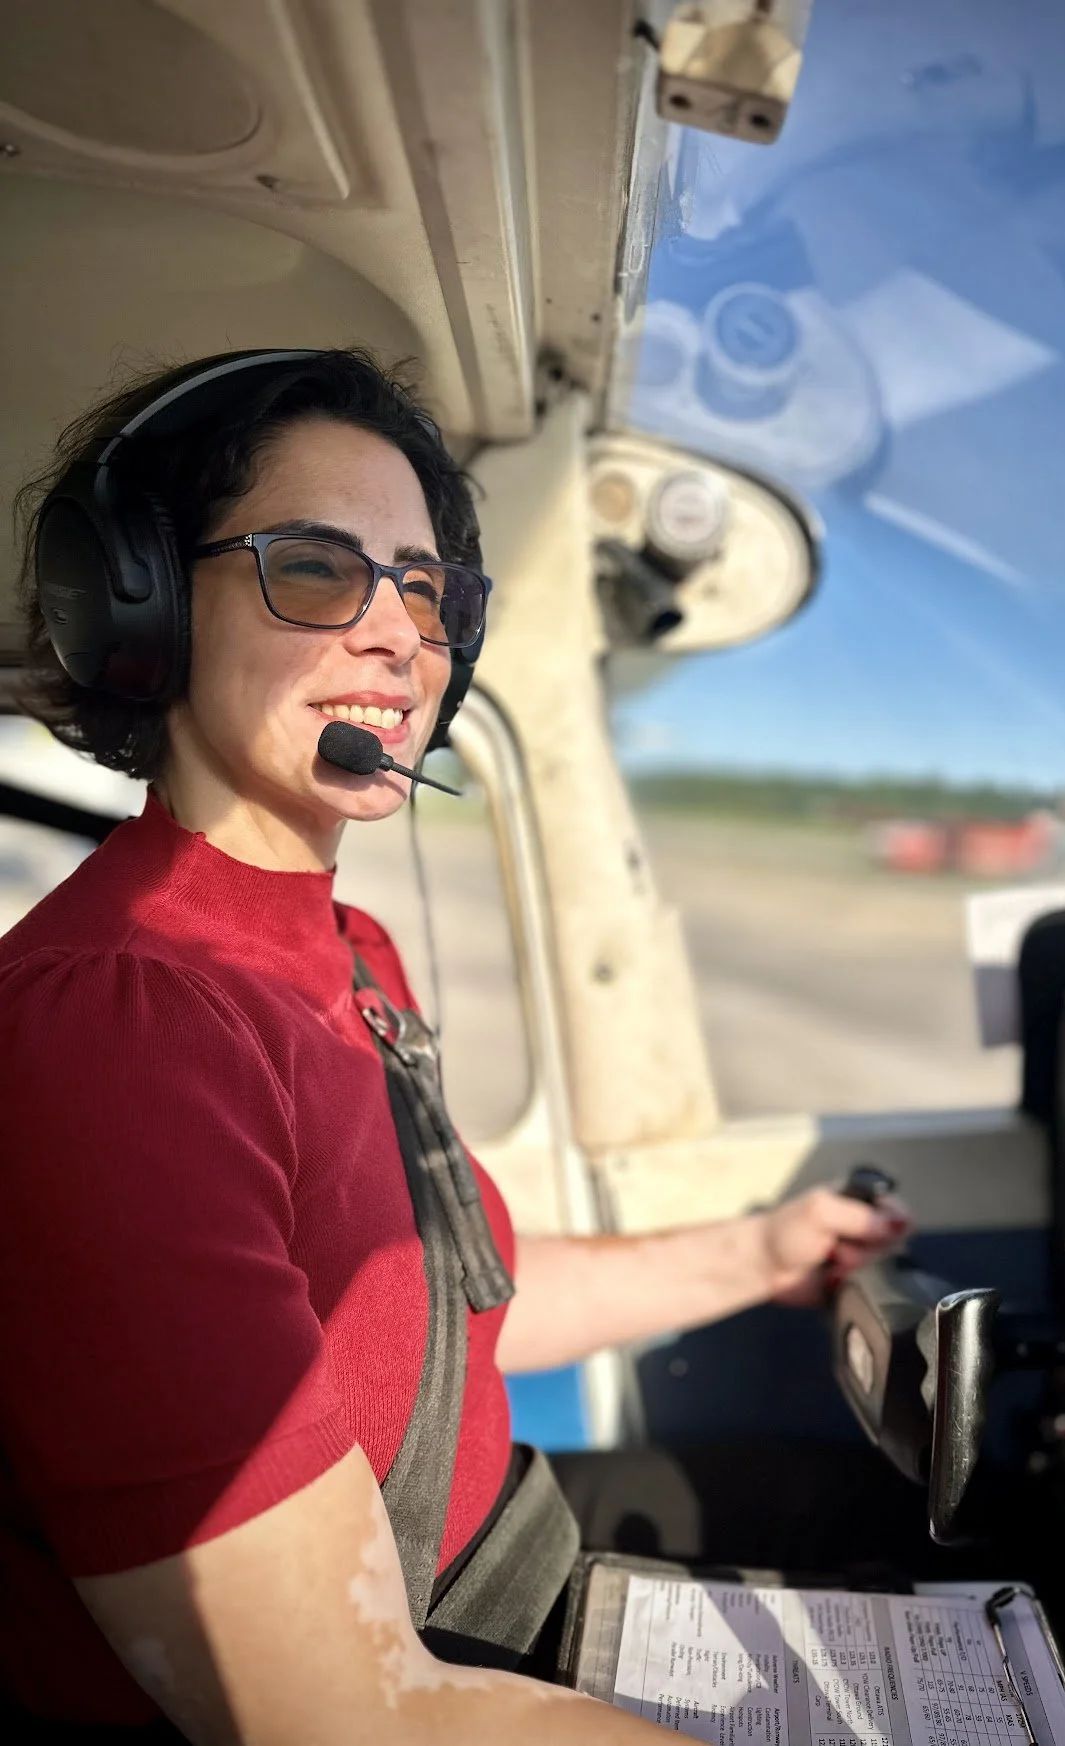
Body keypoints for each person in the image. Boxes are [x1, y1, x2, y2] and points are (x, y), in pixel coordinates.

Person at [0, 349, 909, 1743]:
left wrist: (758, 1250)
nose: (398, 639)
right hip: (418, 1651)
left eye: (426, 591)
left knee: (891, 1520)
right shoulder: (116, 1028)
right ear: (140, 597)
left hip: (504, 1550)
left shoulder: (352, 956)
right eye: (315, 568)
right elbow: (351, 1713)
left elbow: (447, 1305)